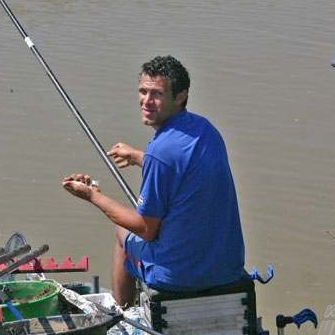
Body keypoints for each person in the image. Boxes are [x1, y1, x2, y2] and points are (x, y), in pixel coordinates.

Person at [62, 55, 245, 306]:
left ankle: (122, 312)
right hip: (228, 267)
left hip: (178, 276)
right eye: (143, 91)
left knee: (122, 232)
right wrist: (139, 157)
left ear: (180, 96)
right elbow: (182, 167)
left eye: (157, 94)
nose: (146, 102)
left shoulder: (161, 152)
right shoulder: (206, 130)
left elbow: (145, 229)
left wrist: (93, 196)